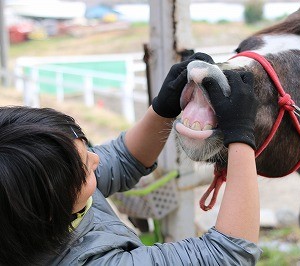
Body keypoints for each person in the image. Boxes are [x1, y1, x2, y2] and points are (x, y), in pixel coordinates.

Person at [0, 53, 261, 265]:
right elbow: (227, 255)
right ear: (48, 211)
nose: (96, 160)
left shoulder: (31, 197)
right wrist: (240, 135)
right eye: (84, 170)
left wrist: (162, 108)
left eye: (84, 149)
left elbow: (123, 158)